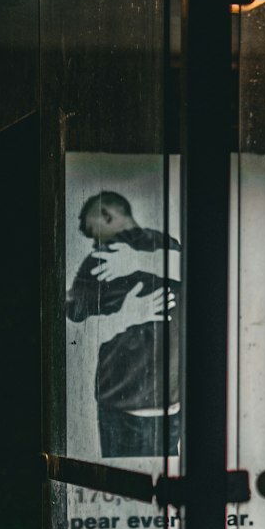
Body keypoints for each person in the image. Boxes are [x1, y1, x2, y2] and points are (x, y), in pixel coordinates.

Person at [66, 190, 180, 458]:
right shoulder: (171, 248)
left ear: (107, 214)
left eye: (88, 223)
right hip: (170, 399)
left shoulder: (101, 259)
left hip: (120, 400)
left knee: (124, 488)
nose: (86, 232)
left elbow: (76, 330)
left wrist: (67, 300)